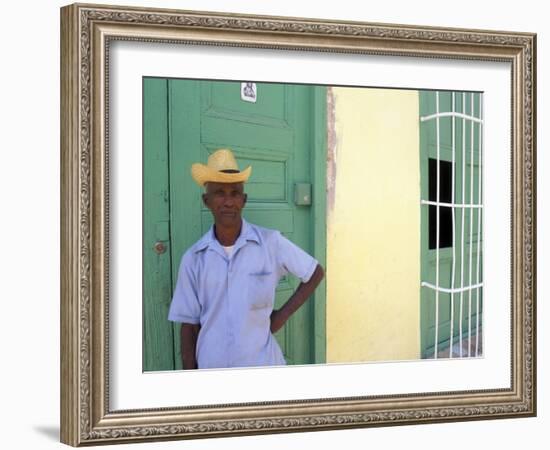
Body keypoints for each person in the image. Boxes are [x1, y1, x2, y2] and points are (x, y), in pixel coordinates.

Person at [167, 148, 324, 369]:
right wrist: (191, 380)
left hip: (262, 367)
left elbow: (315, 272)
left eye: (235, 193)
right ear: (206, 200)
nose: (228, 201)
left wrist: (281, 316)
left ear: (244, 199)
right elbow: (189, 326)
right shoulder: (194, 258)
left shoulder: (271, 243)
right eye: (219, 193)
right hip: (213, 371)